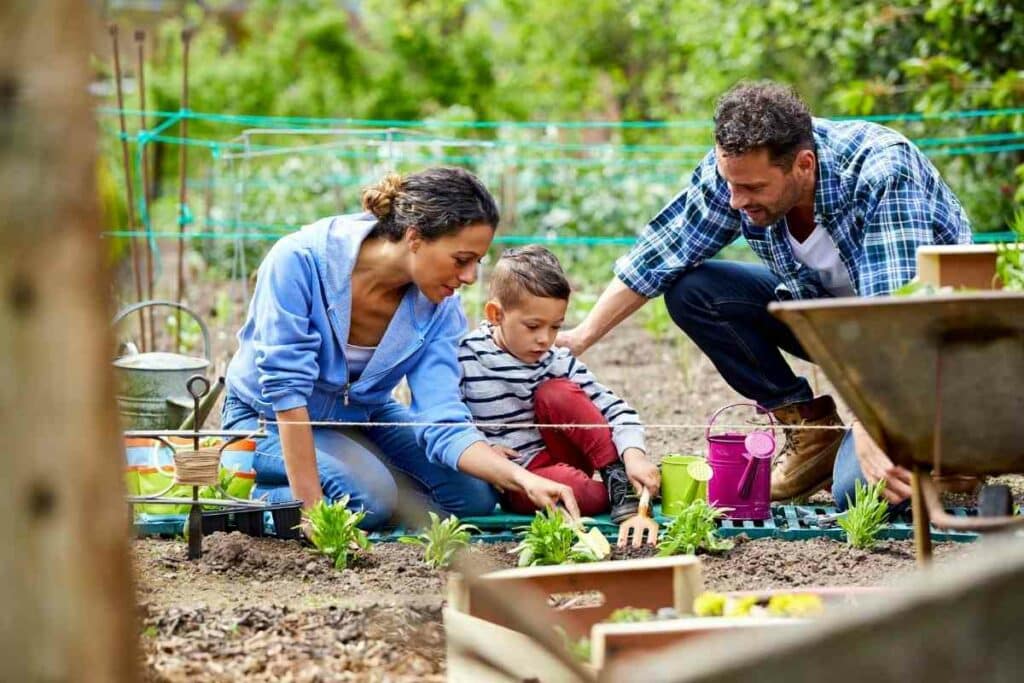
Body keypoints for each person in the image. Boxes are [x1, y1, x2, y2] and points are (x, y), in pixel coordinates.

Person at [557, 81, 971, 510]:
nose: (736, 200)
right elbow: (663, 251)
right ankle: (814, 436)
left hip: (932, 349)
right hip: (837, 327)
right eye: (731, 184)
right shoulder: (739, 171)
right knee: (694, 291)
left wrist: (871, 427)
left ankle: (957, 452)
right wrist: (581, 336)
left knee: (859, 491)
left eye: (753, 189)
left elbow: (898, 317)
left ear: (803, 165)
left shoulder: (882, 172)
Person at [222, 167, 580, 530]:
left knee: (474, 497)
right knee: (368, 501)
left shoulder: (440, 307)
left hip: (364, 415)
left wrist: (521, 478)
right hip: (265, 418)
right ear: (414, 237)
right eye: (461, 259)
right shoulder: (300, 261)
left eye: (477, 262)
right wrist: (312, 514)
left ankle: (367, 475)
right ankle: (235, 487)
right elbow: (287, 392)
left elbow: (441, 414)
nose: (471, 277)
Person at [459, 246, 661, 521]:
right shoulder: (466, 357)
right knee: (574, 491)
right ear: (496, 315)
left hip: (565, 453)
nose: (545, 339)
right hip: (520, 478)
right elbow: (449, 420)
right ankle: (627, 491)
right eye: (533, 326)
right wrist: (482, 449)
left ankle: (618, 478)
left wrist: (633, 455)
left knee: (557, 392)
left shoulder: (554, 359)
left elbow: (615, 409)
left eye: (555, 327)